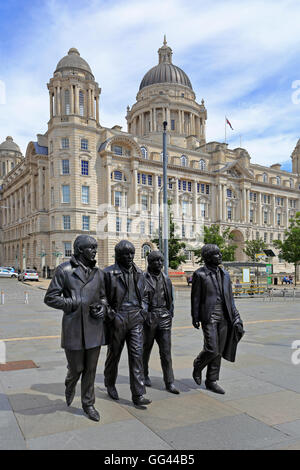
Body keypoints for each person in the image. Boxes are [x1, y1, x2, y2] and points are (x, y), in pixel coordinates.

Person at [44, 235, 108, 422]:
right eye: (91, 248)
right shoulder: (64, 270)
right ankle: (70, 383)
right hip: (73, 327)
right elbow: (50, 297)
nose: (95, 251)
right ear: (80, 250)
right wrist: (72, 302)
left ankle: (88, 403)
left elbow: (104, 297)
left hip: (94, 328)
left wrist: (102, 307)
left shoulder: (99, 273)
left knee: (91, 369)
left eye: (95, 247)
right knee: (77, 368)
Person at [103, 240, 151, 407]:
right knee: (114, 354)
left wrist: (143, 311)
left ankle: (138, 394)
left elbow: (145, 295)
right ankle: (109, 382)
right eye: (126, 254)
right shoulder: (108, 273)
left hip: (136, 318)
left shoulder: (140, 273)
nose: (130, 256)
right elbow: (102, 298)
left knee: (137, 355)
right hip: (118, 317)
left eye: (131, 253)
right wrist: (112, 315)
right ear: (118, 255)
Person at [191, 244, 244, 394]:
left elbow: (230, 298)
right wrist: (195, 316)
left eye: (220, 253)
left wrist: (236, 316)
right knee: (212, 348)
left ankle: (211, 380)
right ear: (208, 257)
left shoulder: (225, 274)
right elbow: (195, 298)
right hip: (209, 315)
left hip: (225, 316)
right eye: (216, 254)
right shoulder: (200, 274)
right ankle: (198, 365)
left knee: (219, 350)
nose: (220, 256)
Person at [143, 251, 179, 395]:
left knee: (166, 352)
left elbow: (170, 299)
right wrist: (145, 315)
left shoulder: (166, 279)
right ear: (149, 262)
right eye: (156, 261)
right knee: (145, 350)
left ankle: (169, 381)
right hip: (150, 317)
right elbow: (141, 299)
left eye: (161, 261)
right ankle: (143, 375)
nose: (159, 263)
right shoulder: (142, 278)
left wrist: (170, 314)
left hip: (164, 317)